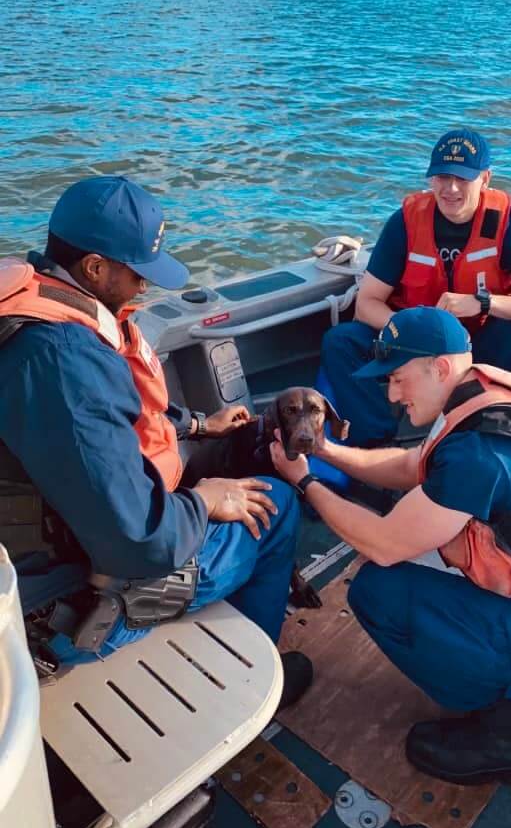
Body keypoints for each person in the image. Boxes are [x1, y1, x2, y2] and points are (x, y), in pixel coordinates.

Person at [0, 175, 311, 706]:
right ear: (95, 267)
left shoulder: (33, 308)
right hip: (56, 608)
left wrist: (193, 425)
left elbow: (114, 416)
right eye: (137, 273)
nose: (145, 288)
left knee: (216, 473)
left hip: (35, 546)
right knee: (274, 504)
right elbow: (142, 542)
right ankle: (251, 681)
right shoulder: (63, 363)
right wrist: (205, 500)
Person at [271, 306, 511, 785]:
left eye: (399, 378)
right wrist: (324, 452)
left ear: (439, 368)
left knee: (379, 591)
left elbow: (384, 545)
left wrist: (305, 484)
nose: (391, 394)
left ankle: (508, 736)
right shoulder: (492, 397)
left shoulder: (482, 455)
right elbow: (412, 467)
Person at [320, 127, 511, 446]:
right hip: (412, 345)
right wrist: (409, 332)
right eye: (441, 177)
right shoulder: (406, 223)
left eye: (462, 178)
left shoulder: (510, 224)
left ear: (485, 179)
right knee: (340, 341)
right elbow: (367, 303)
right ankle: (375, 445)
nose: (450, 189)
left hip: (479, 342)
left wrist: (484, 303)